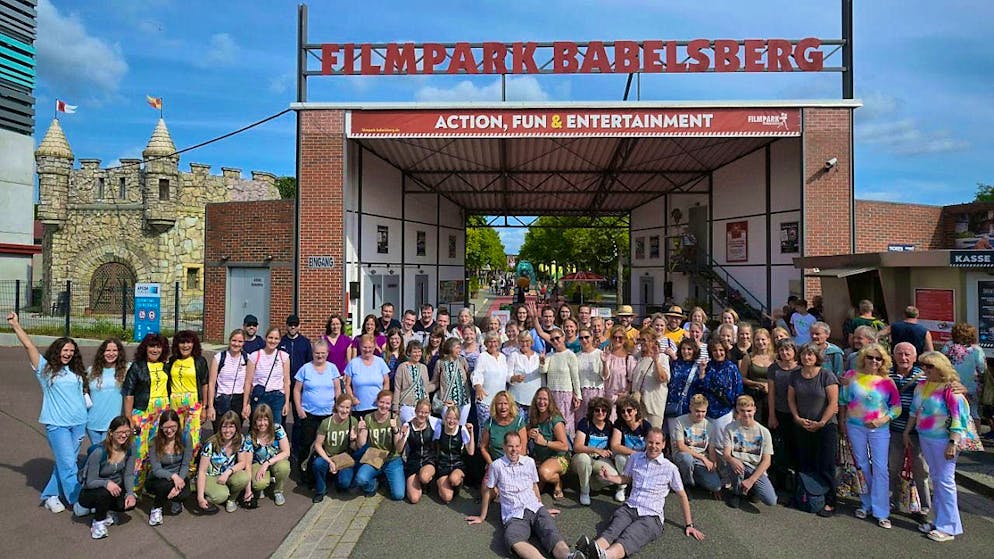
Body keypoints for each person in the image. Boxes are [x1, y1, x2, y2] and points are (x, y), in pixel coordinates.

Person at [576, 428, 705, 559]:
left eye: (657, 443)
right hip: (629, 508)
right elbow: (626, 478)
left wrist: (689, 525)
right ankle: (589, 550)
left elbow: (682, 495)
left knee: (630, 536)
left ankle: (604, 556)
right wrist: (610, 477)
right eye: (650, 442)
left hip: (651, 516)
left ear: (663, 445)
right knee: (612, 530)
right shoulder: (635, 457)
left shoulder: (670, 468)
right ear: (645, 441)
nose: (653, 446)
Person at [7, 313, 86, 514]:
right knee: (69, 464)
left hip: (78, 424)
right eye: (64, 350)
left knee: (65, 462)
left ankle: (50, 496)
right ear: (57, 351)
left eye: (71, 350)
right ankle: (78, 502)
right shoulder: (46, 369)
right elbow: (29, 347)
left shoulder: (76, 372)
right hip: (57, 425)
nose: (68, 353)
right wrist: (16, 325)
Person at [465, 431, 586, 559]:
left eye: (517, 446)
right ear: (504, 446)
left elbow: (534, 486)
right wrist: (482, 516)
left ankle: (569, 557)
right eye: (510, 446)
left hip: (535, 507)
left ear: (521, 447)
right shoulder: (496, 466)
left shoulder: (529, 462)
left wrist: (541, 506)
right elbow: (488, 491)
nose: (514, 450)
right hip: (514, 514)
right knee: (513, 539)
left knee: (551, 532)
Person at [904, 351, 970, 542]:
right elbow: (914, 411)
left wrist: (953, 442)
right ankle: (940, 521)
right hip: (926, 438)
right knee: (937, 479)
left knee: (945, 482)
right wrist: (908, 431)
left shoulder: (951, 390)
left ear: (941, 367)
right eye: (923, 365)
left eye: (929, 366)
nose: (925, 369)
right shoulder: (923, 385)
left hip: (944, 440)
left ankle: (949, 527)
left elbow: (959, 419)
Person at [839, 344, 901, 529]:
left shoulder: (887, 382)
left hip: (879, 430)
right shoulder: (851, 376)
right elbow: (843, 400)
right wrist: (842, 421)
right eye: (870, 357)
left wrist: (882, 420)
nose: (874, 361)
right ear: (863, 358)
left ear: (883, 361)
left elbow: (896, 407)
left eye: (878, 358)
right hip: (854, 427)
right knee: (861, 465)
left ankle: (881, 511)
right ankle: (865, 504)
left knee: (881, 468)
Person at [788, 343, 840, 517]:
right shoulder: (795, 376)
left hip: (826, 427)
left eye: (810, 354)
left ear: (817, 357)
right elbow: (791, 400)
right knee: (803, 462)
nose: (806, 357)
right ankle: (803, 496)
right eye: (803, 354)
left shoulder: (827, 375)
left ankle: (830, 502)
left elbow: (833, 403)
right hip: (802, 425)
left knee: (826, 465)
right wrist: (796, 418)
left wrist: (822, 422)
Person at [887, 342, 931, 528]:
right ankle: (893, 501)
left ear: (915, 357)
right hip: (893, 429)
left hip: (918, 432)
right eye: (899, 354)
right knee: (893, 468)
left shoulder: (923, 377)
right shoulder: (886, 374)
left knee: (921, 470)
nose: (903, 358)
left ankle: (925, 508)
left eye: (907, 354)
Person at [123, 332, 171, 493]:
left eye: (158, 346)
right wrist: (128, 417)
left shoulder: (166, 366)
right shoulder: (137, 367)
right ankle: (135, 488)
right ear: (145, 348)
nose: (155, 350)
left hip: (162, 414)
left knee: (158, 449)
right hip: (142, 413)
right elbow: (128, 392)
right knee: (139, 451)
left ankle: (151, 485)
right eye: (152, 346)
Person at [78, 415, 136, 539]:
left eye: (127, 432)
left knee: (128, 504)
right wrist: (106, 483)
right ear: (111, 433)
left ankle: (108, 509)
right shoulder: (99, 452)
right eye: (120, 432)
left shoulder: (130, 447)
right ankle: (98, 523)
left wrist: (130, 493)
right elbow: (90, 481)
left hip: (116, 487)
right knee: (103, 494)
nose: (124, 435)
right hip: (93, 490)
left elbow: (129, 474)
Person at [293, 338, 342, 474]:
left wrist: (338, 409)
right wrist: (299, 408)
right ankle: (304, 473)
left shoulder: (332, 368)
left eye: (323, 353)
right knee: (307, 444)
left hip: (328, 414)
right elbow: (297, 390)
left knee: (327, 445)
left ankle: (325, 473)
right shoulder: (305, 369)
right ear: (313, 353)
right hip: (309, 414)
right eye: (317, 353)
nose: (320, 356)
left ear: (327, 353)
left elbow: (338, 389)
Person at [722, 395, 776, 508]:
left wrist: (752, 480)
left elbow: (767, 461)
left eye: (749, 411)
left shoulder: (764, 432)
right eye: (742, 411)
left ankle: (751, 488)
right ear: (737, 410)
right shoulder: (730, 428)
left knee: (771, 500)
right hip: (738, 465)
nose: (746, 414)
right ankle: (736, 493)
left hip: (755, 468)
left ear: (755, 410)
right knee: (736, 465)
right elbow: (726, 454)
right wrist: (732, 459)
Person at [165, 330, 209, 472]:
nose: (185, 346)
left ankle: (190, 470)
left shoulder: (199, 361)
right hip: (175, 404)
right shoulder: (172, 361)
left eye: (188, 342)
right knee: (174, 437)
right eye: (182, 342)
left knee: (193, 440)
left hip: (193, 404)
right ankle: (175, 468)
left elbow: (204, 384)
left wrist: (204, 407)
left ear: (194, 344)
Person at [196, 410, 252, 513]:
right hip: (211, 475)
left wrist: (228, 472)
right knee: (221, 496)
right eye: (224, 427)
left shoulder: (240, 440)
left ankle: (232, 500)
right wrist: (200, 497)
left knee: (244, 477)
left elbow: (242, 462)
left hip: (226, 473)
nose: (227, 430)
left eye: (231, 427)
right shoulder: (211, 444)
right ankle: (207, 494)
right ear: (220, 427)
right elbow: (202, 471)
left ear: (237, 428)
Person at [354, 390, 405, 501]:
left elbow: (398, 448)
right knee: (361, 479)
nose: (384, 406)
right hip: (374, 456)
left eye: (387, 403)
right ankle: (373, 485)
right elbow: (361, 445)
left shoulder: (395, 418)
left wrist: (395, 429)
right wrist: (361, 430)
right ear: (377, 402)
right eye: (381, 402)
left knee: (398, 495)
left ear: (391, 405)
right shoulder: (368, 418)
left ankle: (385, 478)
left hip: (392, 458)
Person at [310, 394, 360, 502]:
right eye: (342, 406)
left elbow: (355, 448)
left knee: (344, 483)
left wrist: (353, 440)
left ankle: (337, 481)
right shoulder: (326, 423)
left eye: (347, 407)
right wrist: (330, 461)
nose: (344, 410)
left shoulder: (353, 421)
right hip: (328, 456)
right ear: (336, 406)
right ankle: (321, 490)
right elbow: (318, 445)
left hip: (344, 458)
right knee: (318, 464)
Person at [146, 409, 192, 526]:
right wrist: (173, 476)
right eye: (166, 427)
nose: (169, 430)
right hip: (160, 477)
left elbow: (185, 464)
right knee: (164, 485)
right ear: (161, 427)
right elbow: (156, 470)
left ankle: (175, 499)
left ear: (178, 425)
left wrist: (179, 481)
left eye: (173, 426)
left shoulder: (185, 437)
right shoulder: (154, 442)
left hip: (180, 476)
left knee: (184, 494)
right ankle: (156, 508)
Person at [689, 339, 742, 437]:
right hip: (707, 412)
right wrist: (701, 372)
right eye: (715, 350)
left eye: (721, 350)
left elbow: (738, 390)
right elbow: (700, 388)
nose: (718, 353)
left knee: (723, 441)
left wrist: (737, 411)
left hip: (725, 411)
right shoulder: (707, 367)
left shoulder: (732, 368)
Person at [766, 337, 800, 488]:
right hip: (780, 411)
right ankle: (780, 480)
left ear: (794, 351)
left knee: (796, 446)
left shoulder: (800, 368)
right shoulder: (774, 368)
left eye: (788, 349)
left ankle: (794, 481)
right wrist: (772, 415)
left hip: (798, 414)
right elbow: (771, 393)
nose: (785, 352)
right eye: (781, 350)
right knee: (780, 448)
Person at [527, 387, 572, 500]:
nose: (542, 402)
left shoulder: (555, 420)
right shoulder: (534, 418)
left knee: (544, 473)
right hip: (541, 458)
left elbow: (564, 446)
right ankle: (544, 480)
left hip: (559, 457)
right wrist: (528, 433)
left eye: (545, 399)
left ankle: (557, 482)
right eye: (539, 399)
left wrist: (545, 442)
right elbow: (522, 434)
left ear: (550, 401)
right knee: (532, 492)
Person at [572, 397, 618, 505]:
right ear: (592, 411)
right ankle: (585, 491)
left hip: (599, 460)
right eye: (597, 410)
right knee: (583, 459)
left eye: (604, 410)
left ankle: (591, 482)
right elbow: (577, 447)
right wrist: (596, 450)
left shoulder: (609, 425)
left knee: (613, 477)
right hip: (582, 457)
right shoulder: (585, 423)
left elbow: (612, 446)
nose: (600, 413)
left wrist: (610, 453)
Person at [671, 394, 721, 494]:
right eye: (697, 411)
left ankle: (692, 476)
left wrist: (713, 464)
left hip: (699, 459)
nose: (700, 414)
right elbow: (681, 446)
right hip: (683, 455)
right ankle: (687, 484)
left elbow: (711, 449)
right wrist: (703, 458)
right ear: (691, 408)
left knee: (716, 486)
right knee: (687, 459)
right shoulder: (680, 421)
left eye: (703, 411)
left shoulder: (709, 426)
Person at [279, 314, 312, 459]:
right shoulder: (281, 342)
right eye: (290, 324)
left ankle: (296, 449)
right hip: (283, 384)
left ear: (299, 326)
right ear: (286, 325)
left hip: (300, 385)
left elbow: (309, 363)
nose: (293, 327)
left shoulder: (305, 342)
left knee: (299, 419)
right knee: (282, 417)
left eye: (295, 324)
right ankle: (283, 446)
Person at [242, 326, 291, 425]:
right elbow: (248, 382)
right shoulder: (255, 356)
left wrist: (286, 403)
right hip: (260, 396)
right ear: (266, 338)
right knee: (258, 426)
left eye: (276, 338)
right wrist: (246, 404)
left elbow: (286, 381)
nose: (273, 341)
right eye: (270, 338)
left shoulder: (284, 357)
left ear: (280, 340)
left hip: (277, 397)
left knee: (276, 428)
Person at [246, 403, 291, 507]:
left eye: (265, 419)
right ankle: (262, 487)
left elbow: (286, 452)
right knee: (259, 484)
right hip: (257, 464)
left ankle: (278, 491)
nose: (262, 423)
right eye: (259, 420)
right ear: (255, 421)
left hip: (275, 461)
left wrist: (267, 463)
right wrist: (248, 490)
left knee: (284, 467)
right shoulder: (250, 437)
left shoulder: (278, 429)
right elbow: (247, 463)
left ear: (270, 420)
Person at [480, 390, 528, 489]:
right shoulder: (489, 423)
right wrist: (491, 464)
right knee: (486, 488)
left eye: (505, 404)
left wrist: (510, 467)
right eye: (499, 404)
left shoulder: (518, 422)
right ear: (495, 406)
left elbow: (522, 449)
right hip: (496, 464)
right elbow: (483, 447)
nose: (503, 407)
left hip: (515, 464)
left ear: (510, 405)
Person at [610, 395, 653, 503]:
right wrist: (634, 453)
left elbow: (652, 444)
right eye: (623, 411)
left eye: (629, 410)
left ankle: (639, 488)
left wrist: (641, 455)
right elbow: (615, 445)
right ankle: (622, 487)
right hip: (628, 455)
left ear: (635, 411)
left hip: (644, 456)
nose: (626, 413)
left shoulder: (645, 425)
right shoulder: (619, 424)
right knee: (620, 458)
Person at [540, 328, 581, 436]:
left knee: (566, 421)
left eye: (557, 338)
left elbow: (575, 377)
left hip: (566, 393)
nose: (555, 341)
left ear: (563, 338)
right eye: (552, 340)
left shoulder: (570, 355)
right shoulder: (549, 355)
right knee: (552, 420)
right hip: (552, 393)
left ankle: (568, 446)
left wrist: (578, 395)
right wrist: (542, 361)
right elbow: (543, 370)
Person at [940, 323, 986, 419]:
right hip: (972, 385)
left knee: (952, 409)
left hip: (952, 384)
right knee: (973, 411)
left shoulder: (948, 346)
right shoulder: (976, 350)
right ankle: (976, 432)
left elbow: (941, 364)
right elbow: (982, 369)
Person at [86, 338, 127, 445]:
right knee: (96, 454)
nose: (111, 353)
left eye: (114, 350)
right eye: (108, 350)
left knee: (108, 455)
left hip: (113, 424)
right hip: (92, 422)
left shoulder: (126, 370)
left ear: (119, 353)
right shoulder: (91, 370)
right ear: (102, 352)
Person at [207, 329, 248, 433]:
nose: (236, 344)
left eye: (240, 341)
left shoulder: (247, 358)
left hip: (238, 400)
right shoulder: (219, 358)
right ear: (229, 341)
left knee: (235, 434)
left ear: (244, 343)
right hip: (221, 400)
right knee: (220, 433)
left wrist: (246, 405)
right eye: (234, 340)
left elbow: (248, 384)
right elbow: (211, 384)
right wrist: (210, 406)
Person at [629, 328, 670, 429]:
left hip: (653, 406)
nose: (641, 343)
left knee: (653, 435)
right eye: (640, 340)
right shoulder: (637, 357)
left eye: (644, 340)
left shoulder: (662, 357)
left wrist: (656, 361)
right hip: (638, 406)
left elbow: (662, 378)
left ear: (653, 341)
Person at [399, 399, 438, 503]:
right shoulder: (408, 425)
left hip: (428, 459)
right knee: (414, 499)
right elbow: (399, 449)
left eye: (426, 412)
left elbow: (448, 421)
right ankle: (417, 481)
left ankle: (426, 481)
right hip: (413, 461)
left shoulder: (433, 422)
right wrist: (402, 437)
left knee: (424, 477)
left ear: (429, 413)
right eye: (420, 412)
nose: (422, 415)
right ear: (415, 411)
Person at [435, 404, 475, 503]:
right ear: (445, 418)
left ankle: (456, 483)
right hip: (443, 465)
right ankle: (440, 483)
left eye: (455, 418)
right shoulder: (440, 429)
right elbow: (434, 447)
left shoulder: (462, 430)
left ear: (458, 419)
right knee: (447, 498)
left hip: (457, 464)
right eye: (449, 418)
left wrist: (471, 433)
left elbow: (471, 452)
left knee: (454, 479)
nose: (451, 421)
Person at [344, 334, 391, 419]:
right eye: (365, 347)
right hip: (358, 408)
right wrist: (352, 398)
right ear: (360, 346)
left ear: (374, 347)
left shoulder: (380, 362)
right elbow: (347, 385)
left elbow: (387, 382)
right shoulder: (353, 363)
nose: (367, 350)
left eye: (370, 347)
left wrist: (382, 399)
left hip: (377, 408)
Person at [473, 333, 511, 429]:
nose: (492, 344)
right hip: (485, 401)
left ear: (498, 343)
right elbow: (477, 373)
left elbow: (506, 376)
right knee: (485, 429)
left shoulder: (503, 357)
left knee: (498, 429)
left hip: (500, 402)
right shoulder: (482, 356)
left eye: (495, 342)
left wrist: (514, 378)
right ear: (485, 344)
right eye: (490, 342)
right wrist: (478, 386)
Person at [394, 341, 434, 423]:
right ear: (409, 353)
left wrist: (428, 405)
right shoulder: (402, 367)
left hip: (423, 407)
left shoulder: (423, 367)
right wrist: (395, 407)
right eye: (415, 352)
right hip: (408, 406)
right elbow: (397, 388)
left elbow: (425, 389)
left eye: (419, 351)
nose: (417, 354)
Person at [434, 337, 472, 425]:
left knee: (461, 426)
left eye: (460, 347)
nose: (460, 350)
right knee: (448, 426)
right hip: (448, 402)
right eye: (457, 347)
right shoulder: (440, 363)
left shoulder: (462, 360)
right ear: (450, 348)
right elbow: (435, 382)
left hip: (464, 401)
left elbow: (468, 376)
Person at [739, 328, 773, 425]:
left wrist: (768, 386)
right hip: (754, 395)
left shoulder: (775, 358)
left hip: (771, 396)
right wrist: (756, 383)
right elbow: (742, 378)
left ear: (768, 340)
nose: (760, 342)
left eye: (763, 339)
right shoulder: (748, 357)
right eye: (757, 340)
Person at [602, 327, 635, 422]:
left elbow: (631, 380)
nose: (617, 340)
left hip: (623, 399)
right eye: (614, 337)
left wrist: (626, 394)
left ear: (624, 339)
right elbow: (605, 376)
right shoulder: (607, 356)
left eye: (620, 337)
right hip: (608, 398)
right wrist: (604, 363)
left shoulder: (629, 358)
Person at [666, 339, 703, 423]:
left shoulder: (697, 367)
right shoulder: (674, 364)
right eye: (683, 349)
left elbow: (701, 387)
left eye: (689, 349)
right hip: (673, 406)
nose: (686, 351)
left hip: (689, 408)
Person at [509, 331, 543, 421]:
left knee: (532, 426)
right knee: (518, 426)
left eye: (527, 341)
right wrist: (514, 378)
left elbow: (542, 377)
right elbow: (507, 375)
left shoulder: (538, 357)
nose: (524, 344)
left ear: (532, 342)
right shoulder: (514, 355)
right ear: (518, 342)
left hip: (534, 399)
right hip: (517, 399)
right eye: (522, 341)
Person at [576, 328, 607, 422]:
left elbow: (605, 376)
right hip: (582, 394)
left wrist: (605, 363)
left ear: (592, 337)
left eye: (586, 337)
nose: (584, 340)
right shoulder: (576, 356)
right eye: (581, 338)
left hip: (596, 392)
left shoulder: (600, 354)